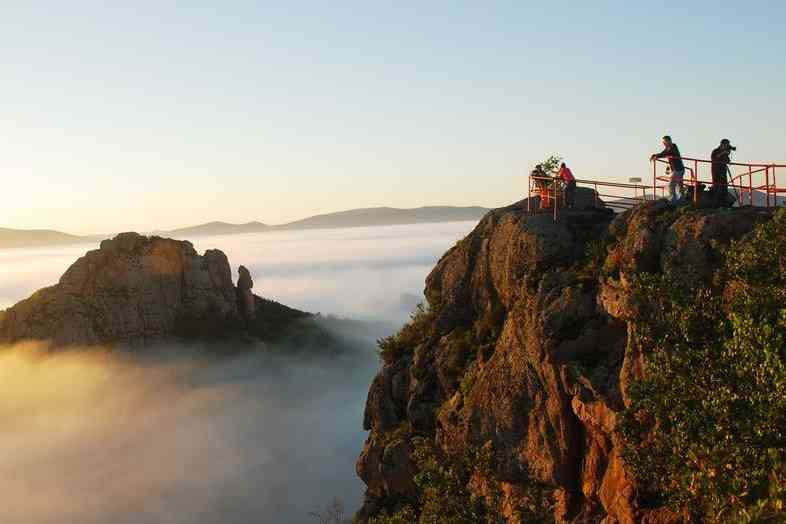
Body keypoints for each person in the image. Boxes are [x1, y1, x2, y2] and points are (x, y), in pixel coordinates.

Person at [650, 135, 685, 204]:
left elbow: (666, 153)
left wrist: (656, 156)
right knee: (678, 184)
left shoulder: (673, 147)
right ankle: (681, 198)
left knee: (671, 184)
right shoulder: (669, 147)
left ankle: (673, 199)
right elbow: (663, 153)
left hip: (677, 169)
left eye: (664, 142)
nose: (663, 143)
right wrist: (655, 155)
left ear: (668, 141)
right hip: (678, 169)